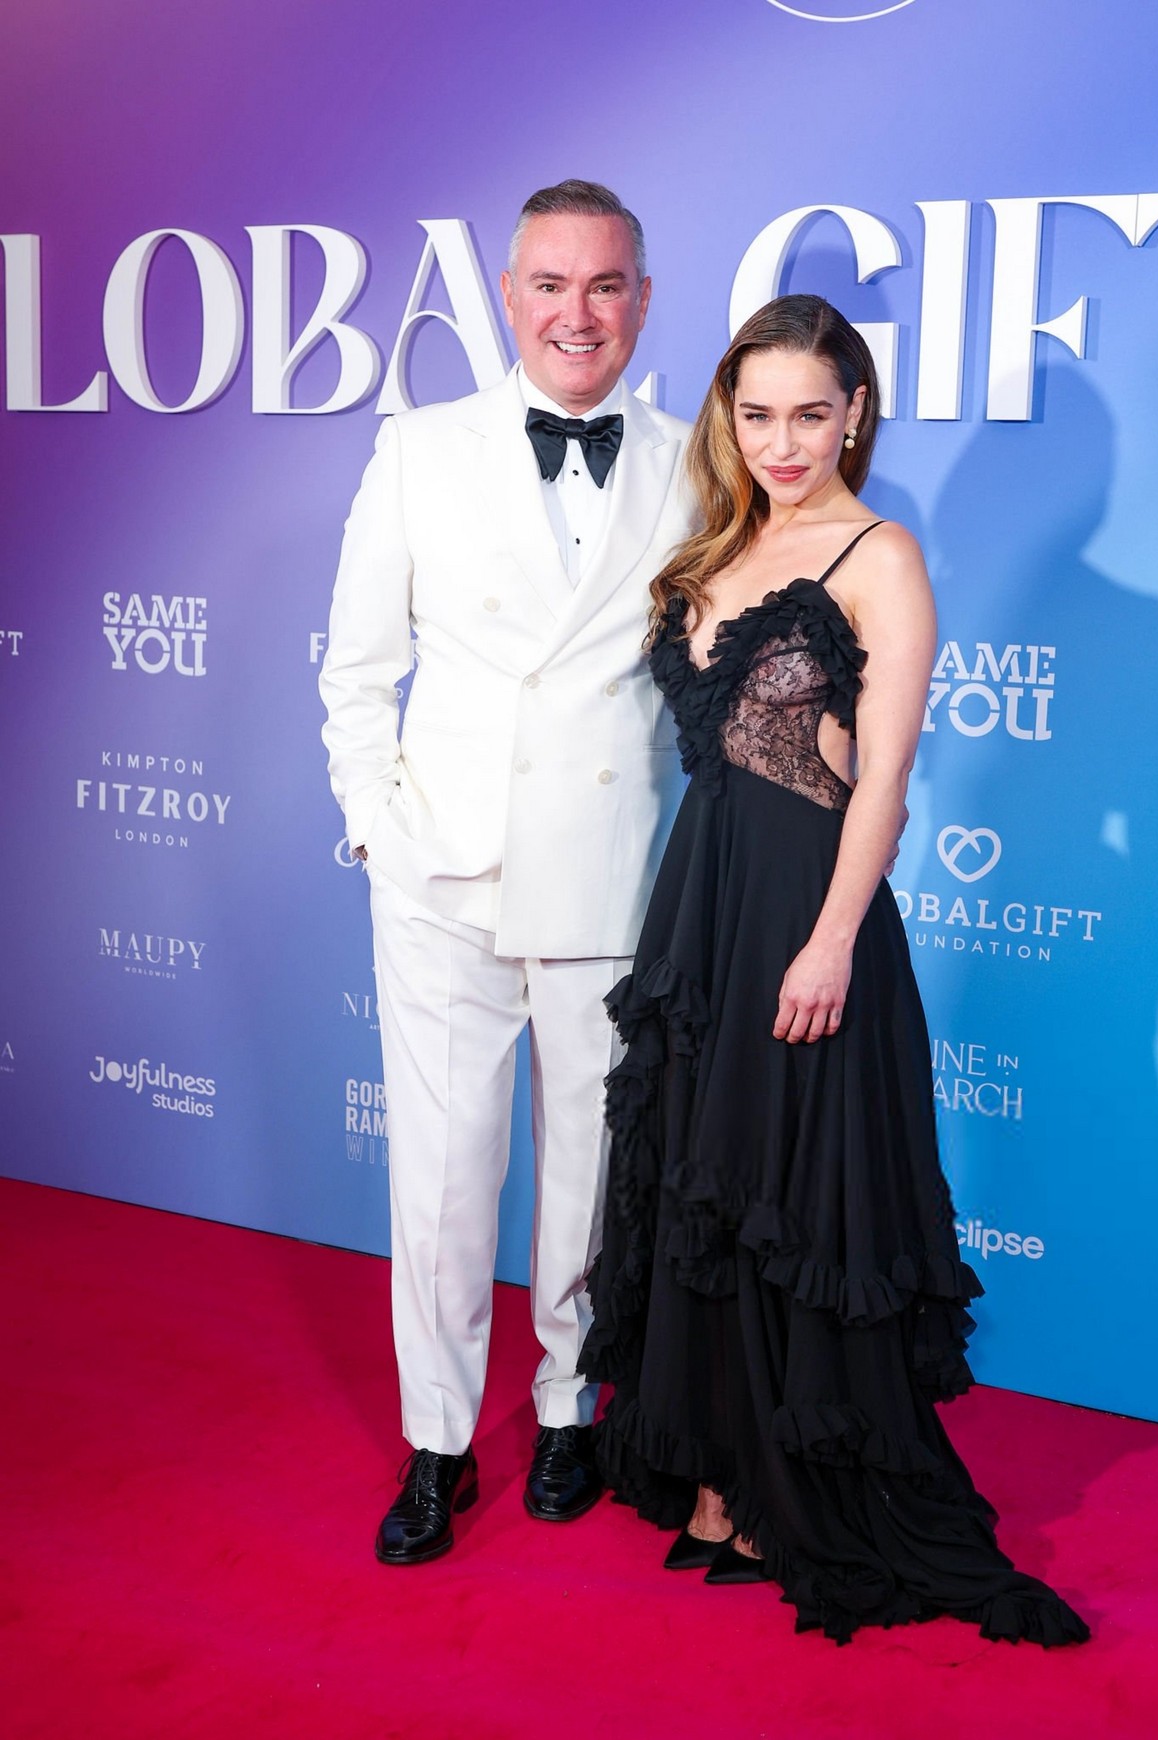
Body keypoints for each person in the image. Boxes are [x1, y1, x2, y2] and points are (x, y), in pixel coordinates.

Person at [580, 294, 1090, 1647]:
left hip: (806, 908)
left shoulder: (882, 555)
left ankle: (785, 1492)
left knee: (786, 1192)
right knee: (705, 1181)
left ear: (855, 411)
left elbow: (886, 784)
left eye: (811, 413)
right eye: (757, 415)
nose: (784, 442)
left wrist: (832, 939)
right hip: (701, 905)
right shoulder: (716, 547)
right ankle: (716, 1476)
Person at [319, 181, 692, 1563]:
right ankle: (436, 1441)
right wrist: (379, 828)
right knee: (443, 1173)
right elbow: (358, 672)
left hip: (608, 872)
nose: (575, 313)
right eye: (549, 283)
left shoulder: (697, 460)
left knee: (591, 1166)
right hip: (442, 875)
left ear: (642, 299)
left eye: (604, 285)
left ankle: (567, 1408)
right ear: (509, 294)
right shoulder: (419, 449)